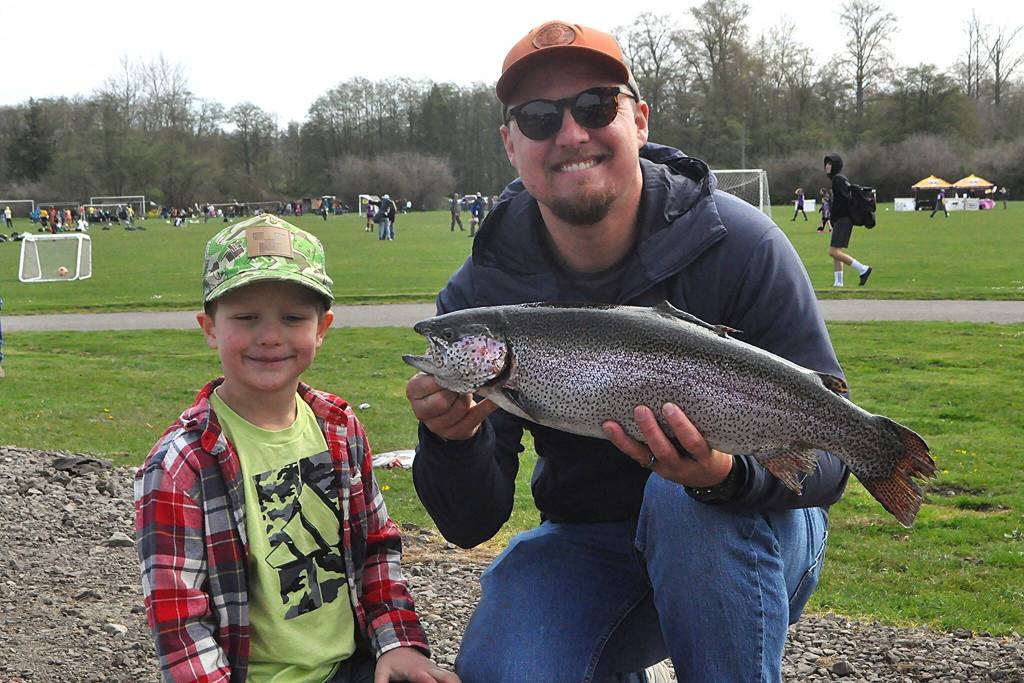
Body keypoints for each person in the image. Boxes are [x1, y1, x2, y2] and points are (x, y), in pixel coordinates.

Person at [405, 20, 846, 683]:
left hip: (747, 525)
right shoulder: (482, 293)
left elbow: (834, 458)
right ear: (510, 143)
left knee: (685, 506)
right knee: (505, 669)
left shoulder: (743, 246)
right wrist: (450, 440)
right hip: (589, 541)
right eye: (538, 116)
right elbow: (471, 522)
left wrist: (722, 474)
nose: (571, 133)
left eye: (594, 105)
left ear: (639, 119)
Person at [135, 214, 457, 683]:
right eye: (246, 318)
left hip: (354, 666)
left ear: (322, 326)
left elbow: (376, 551)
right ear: (209, 327)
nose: (270, 336)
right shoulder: (180, 466)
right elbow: (181, 626)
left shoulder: (339, 428)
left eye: (293, 317)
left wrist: (399, 643)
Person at [825, 153, 872, 287]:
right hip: (843, 219)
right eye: (826, 164)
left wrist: (836, 216)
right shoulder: (841, 178)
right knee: (836, 252)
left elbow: (845, 200)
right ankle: (838, 283)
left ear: (835, 165)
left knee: (833, 251)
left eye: (830, 164)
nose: (827, 166)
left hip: (843, 219)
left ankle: (863, 269)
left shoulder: (837, 180)